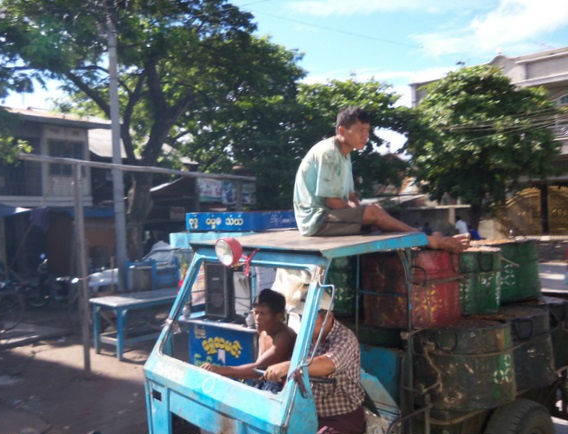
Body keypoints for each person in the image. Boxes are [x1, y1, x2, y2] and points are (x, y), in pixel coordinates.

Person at [293, 105, 469, 253]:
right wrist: (365, 217)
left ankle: (420, 236)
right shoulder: (329, 153)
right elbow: (333, 202)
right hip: (316, 220)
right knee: (373, 213)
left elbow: (352, 198)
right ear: (342, 130)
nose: (365, 136)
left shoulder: (345, 156)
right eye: (360, 130)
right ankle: (425, 238)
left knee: (374, 213)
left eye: (367, 130)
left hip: (330, 216)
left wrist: (365, 216)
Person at [264, 309, 364, 434]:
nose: (305, 323)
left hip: (342, 420)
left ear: (329, 316)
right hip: (309, 414)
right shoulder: (307, 338)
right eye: (303, 317)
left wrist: (289, 366)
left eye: (311, 318)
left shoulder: (345, 338)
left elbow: (328, 364)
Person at [200, 288, 296, 393]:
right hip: (264, 381)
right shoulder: (263, 332)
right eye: (255, 312)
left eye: (263, 313)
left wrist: (218, 370)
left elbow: (257, 369)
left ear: (278, 316)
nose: (257, 318)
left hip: (280, 388)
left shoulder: (285, 337)